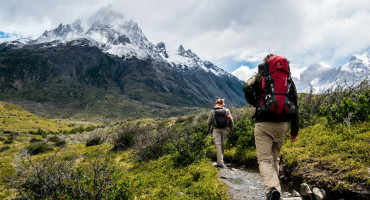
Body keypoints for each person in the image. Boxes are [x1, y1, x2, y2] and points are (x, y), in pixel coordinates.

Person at [243, 54, 299, 200]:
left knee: (264, 160)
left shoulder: (260, 76)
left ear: (266, 63)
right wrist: (294, 130)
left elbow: (247, 87)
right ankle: (276, 191)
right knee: (275, 158)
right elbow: (295, 104)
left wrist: (257, 103)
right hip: (282, 124)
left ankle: (272, 189)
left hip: (263, 123)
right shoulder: (288, 79)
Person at [207, 99, 233, 168]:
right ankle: (221, 161)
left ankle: (220, 162)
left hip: (216, 130)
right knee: (222, 145)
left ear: (216, 103)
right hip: (225, 129)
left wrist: (208, 130)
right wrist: (231, 128)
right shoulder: (227, 110)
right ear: (222, 104)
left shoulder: (212, 111)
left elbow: (209, 122)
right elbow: (231, 120)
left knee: (218, 145)